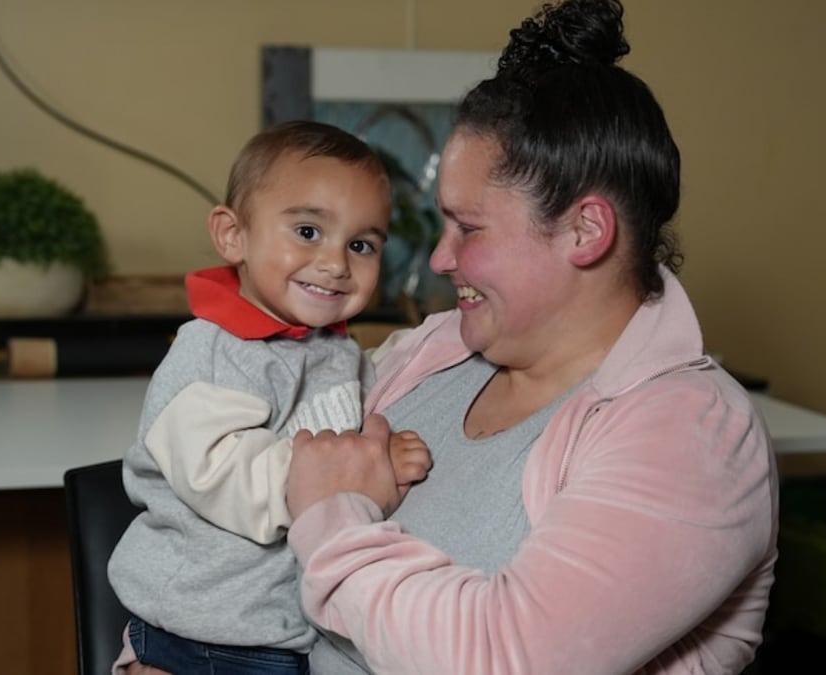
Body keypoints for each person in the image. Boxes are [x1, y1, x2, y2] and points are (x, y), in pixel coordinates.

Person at [281, 1, 780, 673]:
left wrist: (330, 517)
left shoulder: (693, 434)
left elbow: (505, 656)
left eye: (469, 227)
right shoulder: (432, 351)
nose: (439, 257)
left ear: (584, 231)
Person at [107, 120, 432, 675]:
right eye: (308, 232)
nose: (335, 263)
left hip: (282, 632)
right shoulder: (213, 351)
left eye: (360, 244)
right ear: (233, 236)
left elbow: (361, 399)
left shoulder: (332, 348)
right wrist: (354, 471)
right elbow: (218, 473)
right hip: (199, 632)